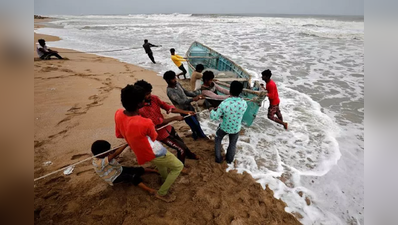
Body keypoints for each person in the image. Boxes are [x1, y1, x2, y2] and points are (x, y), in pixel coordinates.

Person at [115, 84, 183, 202]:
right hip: (153, 150)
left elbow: (119, 134)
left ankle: (163, 177)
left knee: (161, 164)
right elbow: (154, 136)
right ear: (139, 103)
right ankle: (162, 193)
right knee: (178, 166)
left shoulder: (119, 113)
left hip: (140, 151)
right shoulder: (145, 122)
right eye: (143, 99)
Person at [134, 80, 200, 168]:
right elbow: (157, 122)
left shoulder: (154, 98)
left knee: (181, 142)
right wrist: (175, 118)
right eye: (146, 94)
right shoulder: (141, 109)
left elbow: (168, 108)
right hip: (159, 134)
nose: (149, 95)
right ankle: (180, 167)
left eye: (149, 92)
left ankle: (190, 155)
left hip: (168, 128)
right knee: (180, 148)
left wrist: (186, 112)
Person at [91, 140, 157, 194]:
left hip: (118, 169)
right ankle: (149, 190)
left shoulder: (102, 154)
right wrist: (126, 144)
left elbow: (114, 150)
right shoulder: (98, 162)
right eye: (108, 151)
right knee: (132, 177)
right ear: (102, 153)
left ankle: (154, 171)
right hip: (114, 177)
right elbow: (115, 154)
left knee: (136, 169)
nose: (109, 151)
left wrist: (124, 143)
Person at [163, 70, 207, 140]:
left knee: (196, 122)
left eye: (174, 78)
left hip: (189, 106)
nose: (175, 80)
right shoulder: (170, 91)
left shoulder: (177, 84)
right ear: (167, 80)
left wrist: (196, 95)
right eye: (173, 79)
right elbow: (181, 102)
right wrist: (193, 99)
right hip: (183, 110)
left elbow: (186, 92)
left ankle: (200, 135)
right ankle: (197, 136)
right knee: (192, 123)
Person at [210, 81, 248, 164]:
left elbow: (215, 117)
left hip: (224, 127)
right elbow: (238, 113)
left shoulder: (224, 103)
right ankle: (229, 160)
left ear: (230, 90)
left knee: (218, 139)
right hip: (236, 128)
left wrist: (212, 111)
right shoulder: (244, 103)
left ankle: (218, 159)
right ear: (240, 91)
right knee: (232, 144)